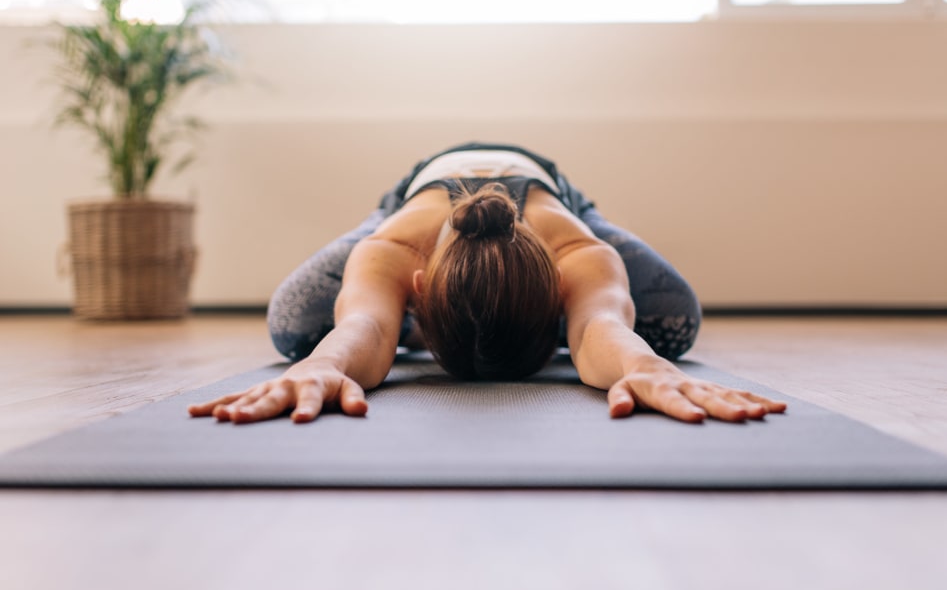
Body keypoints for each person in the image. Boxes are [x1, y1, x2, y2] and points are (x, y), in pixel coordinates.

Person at [189, 142, 785, 424]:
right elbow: (364, 327)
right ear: (415, 290)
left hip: (552, 193)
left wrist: (642, 365)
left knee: (672, 321)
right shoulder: (394, 246)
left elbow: (598, 327)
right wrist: (324, 363)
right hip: (418, 195)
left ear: (560, 291)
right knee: (296, 327)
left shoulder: (576, 248)